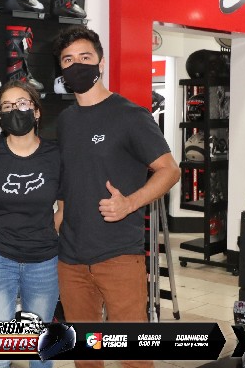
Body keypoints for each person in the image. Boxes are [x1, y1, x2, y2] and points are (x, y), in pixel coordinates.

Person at [53, 27, 180, 368]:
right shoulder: (65, 121)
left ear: (101, 63)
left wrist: (130, 203)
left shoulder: (129, 115)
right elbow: (69, 178)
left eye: (85, 57)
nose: (77, 65)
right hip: (71, 260)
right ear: (61, 70)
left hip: (119, 256)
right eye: (68, 60)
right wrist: (59, 217)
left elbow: (169, 170)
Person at [0, 80, 62, 368]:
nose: (15, 110)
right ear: (0, 115)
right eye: (7, 106)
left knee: (41, 352)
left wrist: (48, 234)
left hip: (44, 261)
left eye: (22, 103)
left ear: (36, 111)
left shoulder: (56, 155)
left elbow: (65, 208)